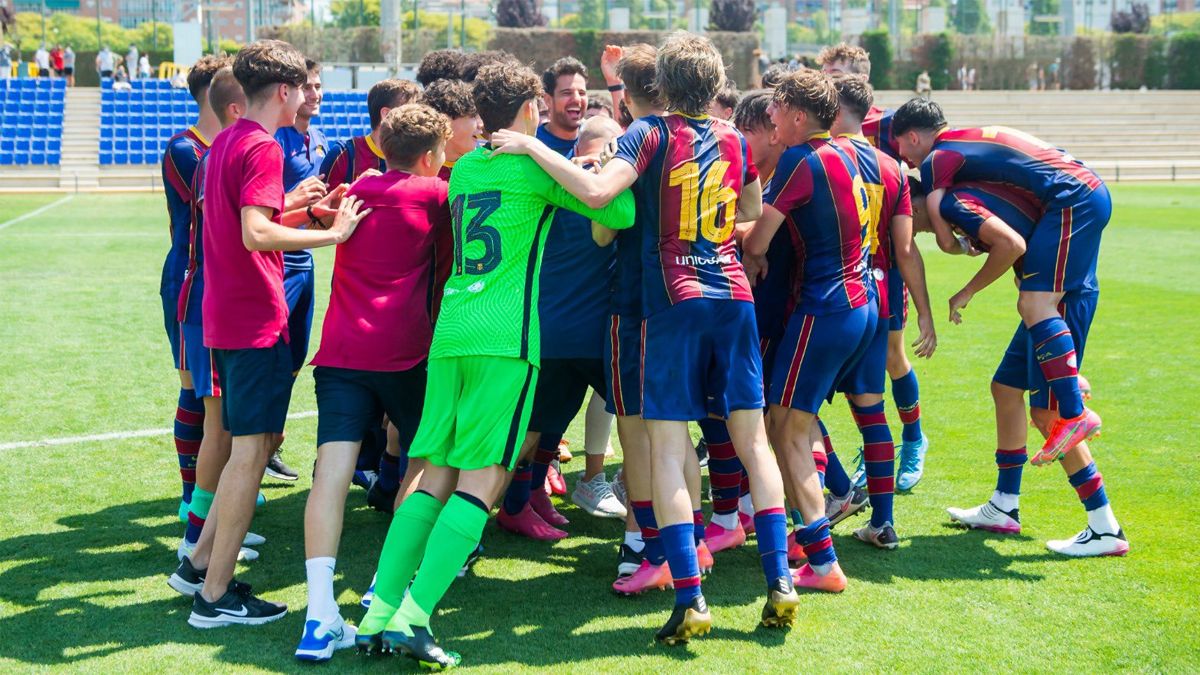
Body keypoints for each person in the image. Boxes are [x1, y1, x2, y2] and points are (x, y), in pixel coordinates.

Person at [491, 32, 798, 645]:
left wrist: (530, 146)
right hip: (733, 297)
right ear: (713, 85)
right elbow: (751, 210)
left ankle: (692, 599)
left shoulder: (649, 132)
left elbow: (600, 195)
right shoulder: (734, 138)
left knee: (664, 449)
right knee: (752, 442)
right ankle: (780, 582)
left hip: (672, 303)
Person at [354, 60, 634, 669]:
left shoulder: (466, 170)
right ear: (532, 108)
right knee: (481, 482)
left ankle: (377, 609)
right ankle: (415, 614)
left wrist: (560, 162)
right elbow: (616, 212)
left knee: (433, 475)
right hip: (506, 340)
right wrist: (564, 161)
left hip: (452, 332)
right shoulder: (530, 166)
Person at [179, 39, 370, 629]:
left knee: (247, 446)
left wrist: (302, 212)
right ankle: (213, 597)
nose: (308, 97)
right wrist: (333, 234)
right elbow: (256, 235)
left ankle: (198, 565)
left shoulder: (226, 141)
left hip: (225, 315)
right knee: (251, 452)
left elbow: (249, 220)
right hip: (253, 316)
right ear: (284, 92)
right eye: (304, 88)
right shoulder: (260, 145)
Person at [892, 98, 1125, 556]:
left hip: (1070, 265)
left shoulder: (947, 180)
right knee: (1005, 388)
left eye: (910, 221)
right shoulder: (971, 178)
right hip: (1076, 214)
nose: (911, 230)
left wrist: (958, 271)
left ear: (914, 136)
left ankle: (1104, 523)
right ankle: (1004, 505)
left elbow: (1007, 241)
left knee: (1048, 408)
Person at [295, 103, 455, 662]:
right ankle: (383, 590)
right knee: (427, 463)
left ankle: (318, 616)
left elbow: (313, 218)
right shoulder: (436, 194)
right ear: (432, 155)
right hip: (407, 357)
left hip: (340, 353)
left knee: (331, 477)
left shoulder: (356, 188)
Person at [742, 68, 868, 595]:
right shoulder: (843, 150)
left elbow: (756, 241)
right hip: (854, 303)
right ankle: (814, 543)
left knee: (787, 427)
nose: (769, 117)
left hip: (825, 307)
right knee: (785, 424)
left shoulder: (800, 158)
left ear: (797, 116)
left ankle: (821, 560)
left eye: (775, 109)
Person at [494, 55, 624, 542]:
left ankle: (530, 494)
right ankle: (509, 500)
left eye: (581, 91)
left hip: (586, 315)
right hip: (551, 313)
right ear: (544, 102)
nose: (577, 99)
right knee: (541, 417)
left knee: (556, 412)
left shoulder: (598, 157)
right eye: (566, 92)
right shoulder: (536, 155)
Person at [825, 74, 936, 548]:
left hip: (826, 297)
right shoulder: (889, 165)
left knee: (787, 407)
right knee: (869, 406)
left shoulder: (818, 157)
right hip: (874, 295)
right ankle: (882, 520)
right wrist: (927, 313)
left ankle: (832, 493)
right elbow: (907, 247)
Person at [159, 54, 229, 531]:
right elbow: (219, 211)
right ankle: (192, 500)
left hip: (220, 282)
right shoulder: (186, 150)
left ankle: (215, 495)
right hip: (189, 280)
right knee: (195, 390)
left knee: (218, 397)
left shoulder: (223, 146)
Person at [272, 58, 332, 483]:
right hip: (275, 263)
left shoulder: (321, 138)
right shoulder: (274, 139)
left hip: (305, 262)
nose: (314, 93)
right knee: (267, 363)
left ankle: (269, 446)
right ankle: (251, 446)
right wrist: (298, 201)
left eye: (317, 86)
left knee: (293, 362)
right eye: (307, 86)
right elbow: (263, 208)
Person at [319, 78, 420, 190]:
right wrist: (357, 189)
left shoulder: (419, 157)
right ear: (386, 115)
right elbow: (321, 204)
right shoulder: (344, 154)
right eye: (410, 112)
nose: (417, 118)